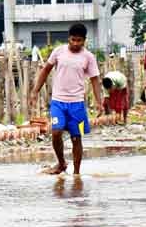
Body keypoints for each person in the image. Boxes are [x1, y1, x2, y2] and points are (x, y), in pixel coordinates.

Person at [28, 23, 104, 176]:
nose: (76, 44)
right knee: (56, 132)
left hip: (78, 105)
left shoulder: (89, 57)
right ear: (68, 38)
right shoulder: (59, 52)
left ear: (84, 40)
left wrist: (98, 102)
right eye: (73, 40)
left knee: (77, 137)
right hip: (58, 102)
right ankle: (61, 163)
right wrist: (35, 91)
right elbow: (45, 70)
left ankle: (76, 173)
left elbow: (95, 80)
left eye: (79, 41)